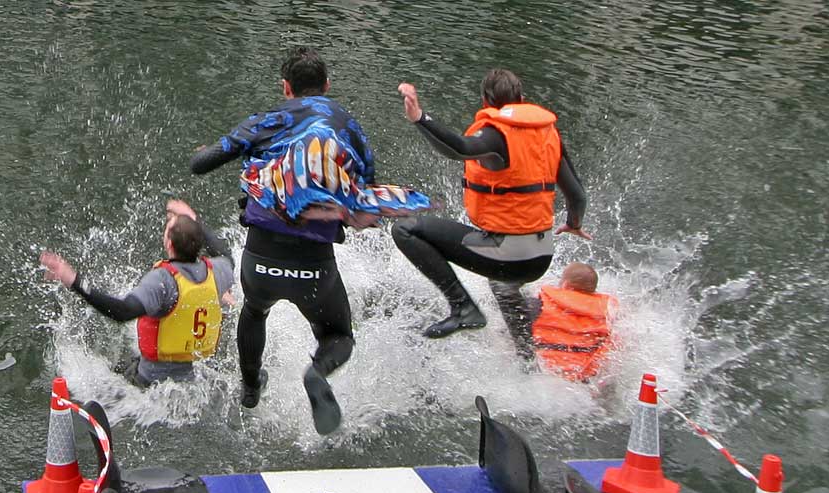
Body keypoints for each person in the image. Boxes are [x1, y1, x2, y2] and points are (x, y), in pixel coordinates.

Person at [190, 46, 386, 435]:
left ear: (285, 88)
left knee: (254, 312)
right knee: (339, 336)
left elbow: (201, 164)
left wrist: (208, 152)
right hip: (315, 267)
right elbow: (370, 194)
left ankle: (249, 388)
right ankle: (316, 374)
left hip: (260, 260)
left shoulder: (266, 122)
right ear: (327, 86)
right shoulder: (346, 126)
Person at [393, 69, 592, 340]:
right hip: (541, 256)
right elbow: (577, 196)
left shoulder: (496, 135)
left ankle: (463, 308)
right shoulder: (548, 135)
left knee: (405, 229)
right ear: (522, 99)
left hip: (508, 256)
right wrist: (574, 224)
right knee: (503, 285)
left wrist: (420, 118)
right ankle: (526, 360)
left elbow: (460, 147)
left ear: (485, 102)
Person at [39, 199, 235, 387]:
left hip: (149, 385)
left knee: (107, 375)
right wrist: (194, 219)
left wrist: (74, 281)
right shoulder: (217, 272)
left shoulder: (163, 282)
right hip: (192, 379)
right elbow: (225, 254)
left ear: (169, 244)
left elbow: (122, 312)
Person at [525, 262, 618, 381]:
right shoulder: (607, 314)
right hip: (583, 380)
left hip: (543, 376)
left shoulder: (537, 305)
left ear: (565, 284)